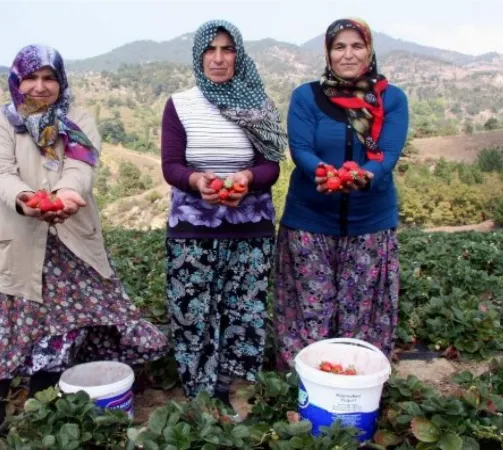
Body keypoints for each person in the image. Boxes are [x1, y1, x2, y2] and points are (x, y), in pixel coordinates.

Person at [0, 44, 168, 440]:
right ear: (16, 80)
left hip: (71, 244)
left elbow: (81, 167)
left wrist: (64, 196)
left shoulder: (77, 120)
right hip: (14, 246)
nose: (41, 87)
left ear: (61, 83)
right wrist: (28, 201)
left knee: (60, 332)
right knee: (2, 333)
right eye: (32, 77)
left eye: (50, 79)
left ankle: (42, 410)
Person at [160, 19, 286, 408]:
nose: (218, 58)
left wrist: (247, 178)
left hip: (250, 226)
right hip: (192, 227)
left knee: (242, 309)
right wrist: (198, 182)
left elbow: (273, 165)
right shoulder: (180, 105)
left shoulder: (258, 104)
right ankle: (199, 391)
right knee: (192, 310)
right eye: (209, 50)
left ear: (239, 55)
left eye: (227, 49)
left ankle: (227, 387)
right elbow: (171, 165)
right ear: (198, 57)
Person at [274, 18, 409, 370]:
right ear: (328, 53)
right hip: (309, 222)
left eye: (356, 46)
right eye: (339, 47)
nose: (348, 54)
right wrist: (324, 173)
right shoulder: (307, 97)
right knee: (309, 311)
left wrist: (365, 175)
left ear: (369, 50)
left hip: (370, 222)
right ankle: (305, 387)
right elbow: (300, 148)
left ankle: (354, 383)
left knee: (362, 314)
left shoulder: (390, 99)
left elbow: (388, 154)